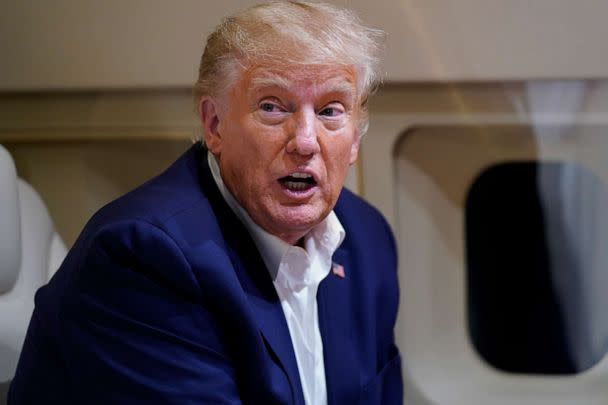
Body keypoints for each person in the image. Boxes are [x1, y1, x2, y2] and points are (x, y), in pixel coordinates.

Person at [9, 1, 402, 404]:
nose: (304, 140)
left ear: (355, 137)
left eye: (330, 111)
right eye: (272, 106)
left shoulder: (367, 238)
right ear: (214, 125)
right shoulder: (142, 259)